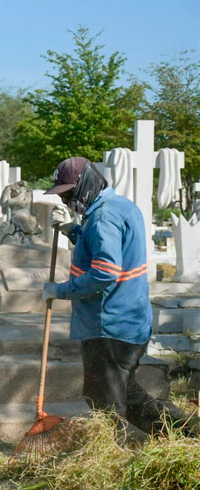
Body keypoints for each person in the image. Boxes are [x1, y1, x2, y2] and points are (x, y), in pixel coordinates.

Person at [43, 157, 187, 438]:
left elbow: (105, 271)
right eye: (62, 195)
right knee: (124, 392)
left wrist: (59, 291)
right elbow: (104, 246)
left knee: (107, 403)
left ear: (86, 184)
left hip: (109, 323)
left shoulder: (102, 217)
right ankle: (181, 434)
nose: (66, 200)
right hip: (129, 319)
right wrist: (73, 230)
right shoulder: (118, 206)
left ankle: (112, 454)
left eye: (68, 192)